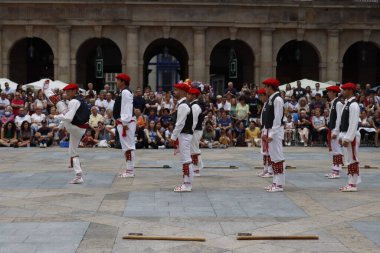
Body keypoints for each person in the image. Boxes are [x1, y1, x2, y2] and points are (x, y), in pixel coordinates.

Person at [55, 83, 90, 184]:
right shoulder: (81, 99)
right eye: (65, 91)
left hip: (76, 128)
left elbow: (69, 118)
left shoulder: (73, 101)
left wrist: (55, 117)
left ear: (74, 91)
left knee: (63, 110)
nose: (66, 93)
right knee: (73, 151)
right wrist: (59, 126)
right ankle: (78, 176)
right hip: (80, 128)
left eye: (68, 91)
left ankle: (58, 103)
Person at [168, 81, 194, 192]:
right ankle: (187, 183)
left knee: (186, 159)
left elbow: (180, 123)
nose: (175, 92)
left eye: (176, 90)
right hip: (185, 134)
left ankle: (187, 184)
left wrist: (173, 137)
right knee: (185, 158)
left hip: (184, 134)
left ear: (182, 91)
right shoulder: (183, 104)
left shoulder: (183, 105)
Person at [261, 78, 285, 192]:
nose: (265, 89)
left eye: (266, 86)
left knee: (277, 157)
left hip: (275, 131)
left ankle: (279, 184)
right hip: (270, 130)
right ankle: (275, 182)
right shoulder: (271, 99)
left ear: (270, 87)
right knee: (273, 157)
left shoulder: (278, 99)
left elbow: (278, 118)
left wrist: (272, 133)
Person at [338, 82, 361, 192]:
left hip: (351, 135)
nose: (343, 92)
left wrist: (348, 138)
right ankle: (351, 183)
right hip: (346, 133)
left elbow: (353, 123)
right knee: (349, 159)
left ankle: (353, 184)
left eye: (345, 90)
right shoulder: (347, 103)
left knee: (352, 159)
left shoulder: (353, 105)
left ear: (350, 91)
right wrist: (341, 136)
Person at [113, 73, 136, 178]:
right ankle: (129, 169)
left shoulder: (126, 92)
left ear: (123, 82)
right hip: (123, 122)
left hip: (126, 122)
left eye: (118, 80)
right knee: (126, 146)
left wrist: (125, 122)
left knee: (128, 146)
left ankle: (130, 170)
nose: (116, 82)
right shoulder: (123, 92)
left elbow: (127, 107)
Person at [325, 85, 344, 179]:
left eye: (329, 92)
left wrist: (336, 131)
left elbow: (339, 118)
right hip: (331, 128)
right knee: (333, 149)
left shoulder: (338, 103)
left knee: (337, 150)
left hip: (335, 129)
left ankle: (337, 171)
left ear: (334, 92)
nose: (328, 93)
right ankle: (334, 169)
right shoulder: (333, 103)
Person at [256, 88, 273, 178]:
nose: (260, 98)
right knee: (264, 151)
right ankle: (265, 169)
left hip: (268, 129)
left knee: (268, 151)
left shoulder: (269, 104)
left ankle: (270, 171)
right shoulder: (265, 104)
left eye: (261, 96)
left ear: (265, 95)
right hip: (264, 129)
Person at [188, 88, 204, 177]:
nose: (188, 96)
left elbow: (193, 121)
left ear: (194, 96)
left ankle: (196, 169)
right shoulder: (193, 105)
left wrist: (190, 130)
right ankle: (196, 167)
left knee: (194, 149)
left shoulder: (195, 106)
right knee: (193, 148)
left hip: (195, 130)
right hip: (195, 130)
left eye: (189, 94)